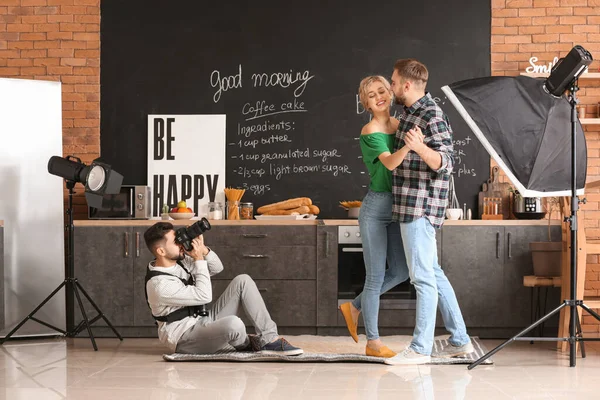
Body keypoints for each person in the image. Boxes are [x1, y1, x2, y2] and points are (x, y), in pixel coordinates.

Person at [384, 59, 473, 365]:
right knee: (433, 273)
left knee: (421, 277)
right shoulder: (409, 113)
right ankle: (460, 340)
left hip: (420, 208)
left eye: (394, 82)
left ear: (407, 85)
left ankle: (420, 348)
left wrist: (419, 148)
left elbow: (447, 164)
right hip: (411, 205)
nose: (391, 87)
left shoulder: (430, 114)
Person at [143, 221, 303, 356]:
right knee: (234, 324)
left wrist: (203, 250)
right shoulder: (159, 284)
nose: (180, 243)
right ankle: (248, 344)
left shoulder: (179, 261)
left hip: (202, 321)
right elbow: (204, 296)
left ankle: (269, 339)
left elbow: (217, 267)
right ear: (161, 251)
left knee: (243, 280)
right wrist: (198, 260)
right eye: (175, 242)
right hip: (184, 337)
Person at [338, 75, 413, 358]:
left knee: (402, 271)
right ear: (365, 103)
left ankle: (354, 306)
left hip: (399, 206)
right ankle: (373, 342)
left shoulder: (400, 125)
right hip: (375, 208)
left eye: (382, 90)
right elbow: (392, 163)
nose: (379, 96)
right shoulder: (370, 130)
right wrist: (410, 145)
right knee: (375, 275)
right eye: (371, 94)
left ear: (391, 93)